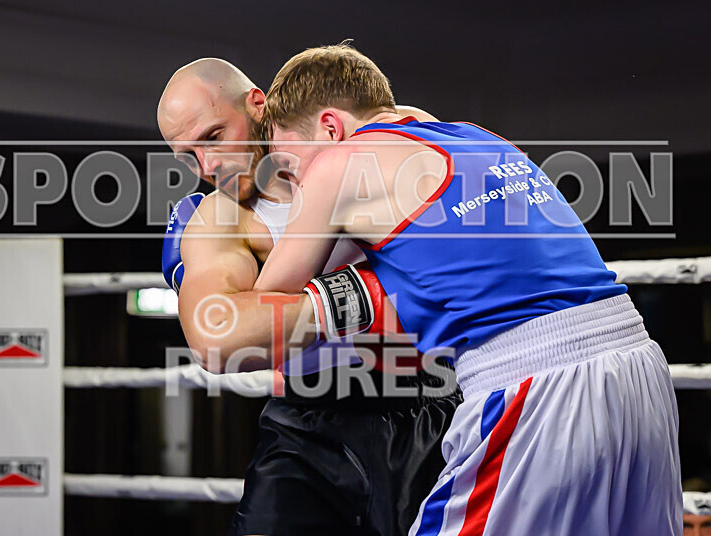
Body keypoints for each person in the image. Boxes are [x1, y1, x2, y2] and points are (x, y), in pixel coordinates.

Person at [246, 44, 683, 534]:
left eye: (292, 164)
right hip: (639, 367)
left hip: (533, 381)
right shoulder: (477, 137)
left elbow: (261, 311)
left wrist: (224, 243)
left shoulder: (343, 162)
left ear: (330, 127)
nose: (293, 182)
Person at [158, 58, 461, 536]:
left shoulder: (364, 144)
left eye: (214, 137)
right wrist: (372, 290)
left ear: (257, 104)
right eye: (187, 156)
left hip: (428, 400)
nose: (207, 166)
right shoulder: (221, 219)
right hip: (308, 424)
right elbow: (214, 337)